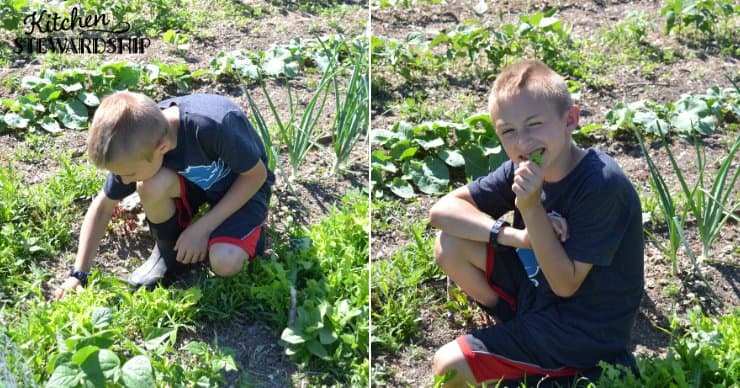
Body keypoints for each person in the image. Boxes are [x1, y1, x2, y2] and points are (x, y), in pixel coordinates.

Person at [428, 59, 644, 386]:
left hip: (583, 331)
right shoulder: (522, 168)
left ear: (570, 119)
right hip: (539, 298)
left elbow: (565, 284)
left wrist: (531, 208)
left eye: (534, 124)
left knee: (449, 367)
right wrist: (517, 236)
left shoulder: (601, 184)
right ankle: (515, 331)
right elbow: (442, 211)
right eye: (508, 131)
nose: (522, 142)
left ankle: (574, 372)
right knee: (449, 243)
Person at [54, 92, 274, 299]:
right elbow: (103, 207)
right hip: (199, 184)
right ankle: (171, 254)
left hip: (244, 188)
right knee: (149, 185)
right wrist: (78, 273)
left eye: (130, 173)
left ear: (163, 147)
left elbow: (256, 176)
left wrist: (202, 228)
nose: (126, 180)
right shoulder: (136, 141)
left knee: (224, 262)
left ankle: (249, 232)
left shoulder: (214, 126)